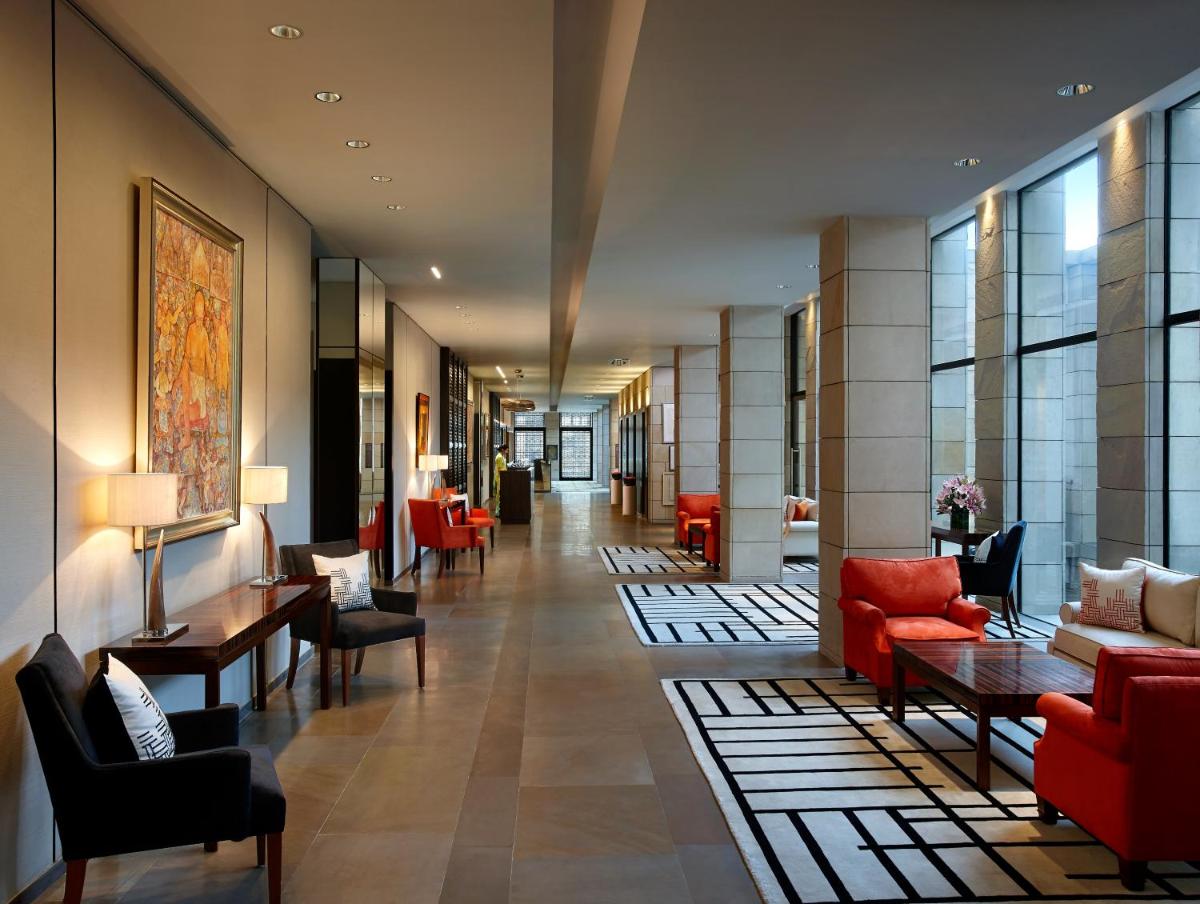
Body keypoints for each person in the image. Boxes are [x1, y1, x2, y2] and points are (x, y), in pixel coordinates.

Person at [493, 443, 509, 510]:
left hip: (502, 476)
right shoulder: (499, 457)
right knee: (499, 493)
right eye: (506, 450)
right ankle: (498, 509)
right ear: (502, 449)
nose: (507, 451)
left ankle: (500, 508)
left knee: (500, 493)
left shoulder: (502, 456)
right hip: (499, 477)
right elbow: (500, 469)